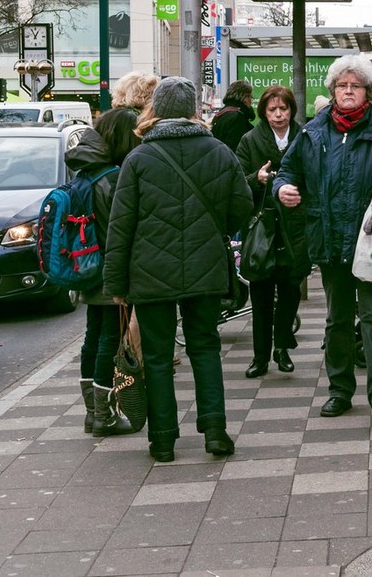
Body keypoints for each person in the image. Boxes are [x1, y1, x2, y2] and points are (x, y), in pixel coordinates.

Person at [104, 77, 254, 462]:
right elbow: (242, 206)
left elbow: (120, 226)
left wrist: (116, 282)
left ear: (156, 108)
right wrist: (214, 230)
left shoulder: (139, 158)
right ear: (192, 110)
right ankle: (216, 431)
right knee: (205, 346)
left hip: (149, 272)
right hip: (205, 268)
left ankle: (164, 440)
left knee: (156, 355)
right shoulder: (219, 151)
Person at [275, 55, 372, 423]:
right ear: (333, 91)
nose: (348, 91)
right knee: (336, 319)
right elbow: (287, 170)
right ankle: (339, 391)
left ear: (368, 92)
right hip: (329, 238)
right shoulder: (312, 132)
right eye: (342, 86)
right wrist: (283, 189)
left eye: (355, 86)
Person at [69, 106, 142, 438]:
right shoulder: (112, 179)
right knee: (110, 340)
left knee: (93, 337)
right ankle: (104, 415)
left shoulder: (84, 173)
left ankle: (90, 412)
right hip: (109, 269)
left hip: (86, 265)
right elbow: (121, 230)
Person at [235, 85, 310, 379]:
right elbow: (237, 179)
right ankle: (260, 357)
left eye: (283, 109)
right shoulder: (250, 140)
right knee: (261, 293)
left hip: (295, 225)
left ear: (291, 110)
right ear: (263, 112)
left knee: (291, 289)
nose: (278, 115)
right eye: (272, 110)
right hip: (262, 227)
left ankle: (282, 347)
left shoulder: (304, 137)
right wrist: (258, 178)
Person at [211, 79, 255, 152]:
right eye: (250, 96)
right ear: (245, 98)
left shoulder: (220, 114)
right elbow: (236, 149)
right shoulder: (237, 118)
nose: (251, 100)